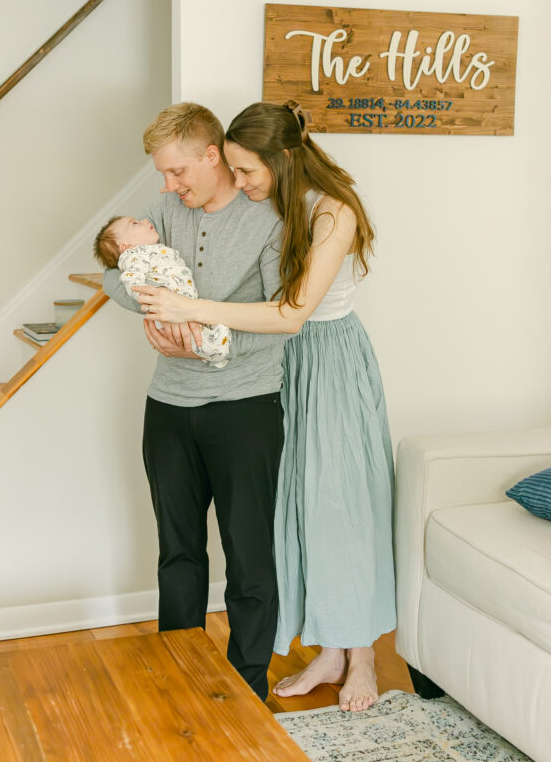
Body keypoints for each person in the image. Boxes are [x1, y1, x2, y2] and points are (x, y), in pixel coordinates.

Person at [135, 100, 396, 714]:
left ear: (282, 160)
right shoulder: (271, 206)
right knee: (299, 513)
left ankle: (362, 657)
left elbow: (292, 313)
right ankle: (329, 652)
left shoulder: (335, 212)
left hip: (324, 361)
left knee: (340, 506)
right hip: (285, 369)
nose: (243, 184)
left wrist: (191, 313)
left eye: (248, 171)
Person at [101, 102, 286, 702]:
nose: (167, 185)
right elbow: (114, 272)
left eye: (178, 172)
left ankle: (248, 684)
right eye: (163, 174)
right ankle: (180, 675)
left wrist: (208, 339)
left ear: (213, 156)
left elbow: (284, 315)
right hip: (168, 405)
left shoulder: (270, 219)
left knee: (247, 550)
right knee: (178, 550)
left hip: (245, 407)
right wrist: (153, 313)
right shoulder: (163, 210)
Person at [93, 214, 231, 367]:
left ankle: (216, 346)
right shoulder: (134, 256)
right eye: (135, 223)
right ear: (126, 247)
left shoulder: (151, 250)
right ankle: (217, 354)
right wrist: (157, 298)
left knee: (204, 326)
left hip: (183, 305)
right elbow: (132, 282)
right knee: (198, 336)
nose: (145, 221)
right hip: (168, 311)